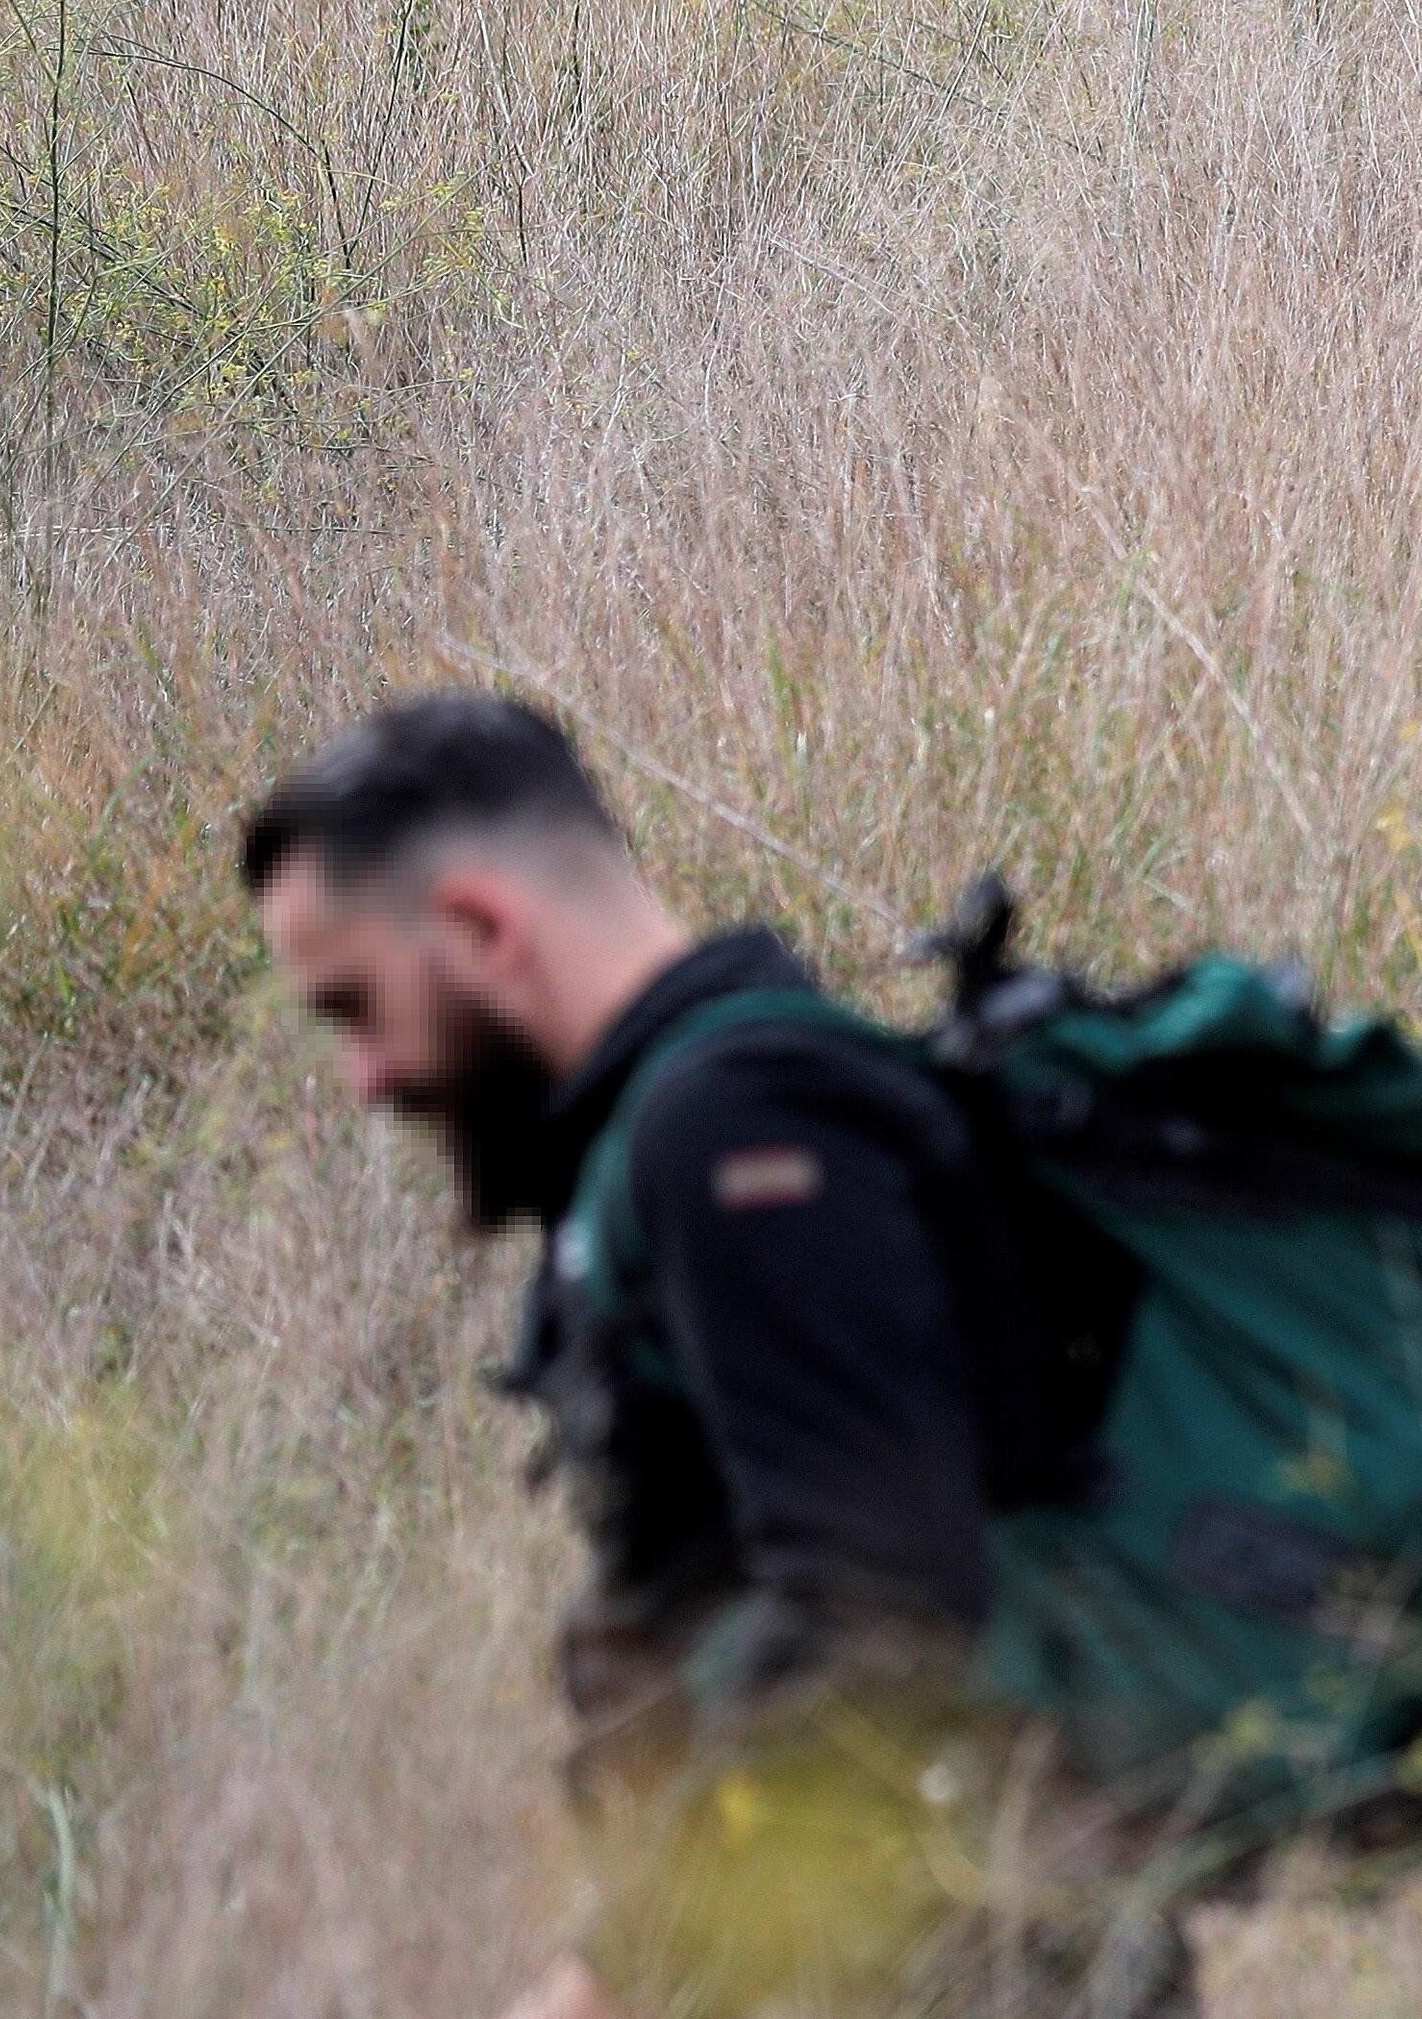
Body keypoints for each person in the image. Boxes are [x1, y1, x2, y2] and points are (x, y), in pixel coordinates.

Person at [244, 694, 1185, 2019]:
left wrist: (610, 1980)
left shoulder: (745, 1128)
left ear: (478, 931)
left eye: (359, 1004)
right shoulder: (695, 1118)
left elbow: (877, 1606)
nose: (364, 1072)